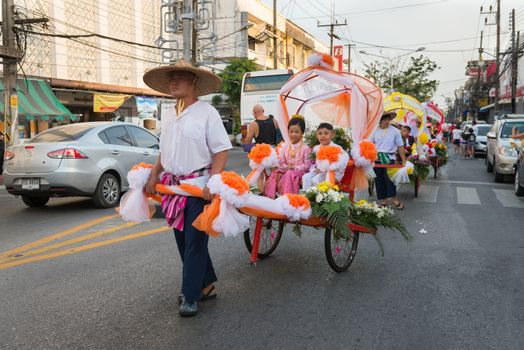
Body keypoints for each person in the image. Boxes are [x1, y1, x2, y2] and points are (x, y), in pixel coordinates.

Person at [143, 59, 232, 317]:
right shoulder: (169, 113)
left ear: (193, 82)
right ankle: (206, 284)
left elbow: (221, 150)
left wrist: (214, 181)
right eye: (171, 78)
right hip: (173, 186)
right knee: (182, 238)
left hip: (198, 186)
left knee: (195, 240)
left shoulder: (207, 112)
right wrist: (154, 173)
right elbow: (164, 150)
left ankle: (191, 295)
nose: (173, 82)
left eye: (179, 77)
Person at [264, 115, 311, 198]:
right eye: (291, 131)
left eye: (297, 132)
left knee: (289, 174)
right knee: (276, 172)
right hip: (287, 170)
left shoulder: (305, 148)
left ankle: (287, 197)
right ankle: (271, 197)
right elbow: (281, 161)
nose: (293, 134)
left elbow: (307, 165)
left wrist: (294, 167)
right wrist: (286, 167)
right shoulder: (285, 146)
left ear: (302, 133)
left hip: (300, 172)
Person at [370, 112, 406, 210]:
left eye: (388, 120)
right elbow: (370, 145)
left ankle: (394, 199)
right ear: (379, 120)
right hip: (376, 159)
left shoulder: (395, 131)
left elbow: (400, 146)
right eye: (384, 120)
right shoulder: (374, 131)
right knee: (379, 179)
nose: (387, 122)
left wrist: (403, 160)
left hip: (389, 158)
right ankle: (384, 201)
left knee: (389, 179)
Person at [302, 123, 346, 189]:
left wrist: (325, 169)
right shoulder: (316, 148)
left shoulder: (337, 148)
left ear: (332, 134)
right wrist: (315, 169)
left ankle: (318, 197)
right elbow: (313, 163)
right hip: (320, 171)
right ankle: (307, 196)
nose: (323, 136)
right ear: (317, 135)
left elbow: (341, 164)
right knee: (306, 177)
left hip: (333, 173)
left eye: (326, 133)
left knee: (316, 179)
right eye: (320, 134)